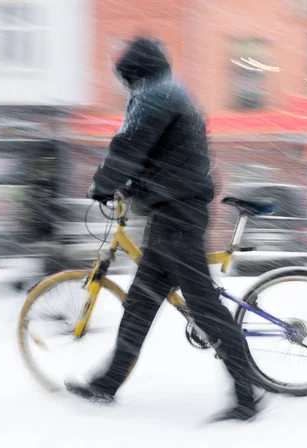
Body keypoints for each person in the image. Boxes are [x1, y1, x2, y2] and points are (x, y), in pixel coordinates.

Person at [64, 37, 262, 422]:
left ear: (134, 72)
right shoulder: (167, 90)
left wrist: (105, 183)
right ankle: (107, 384)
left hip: (178, 216)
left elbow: (129, 145)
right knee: (140, 303)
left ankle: (247, 396)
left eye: (125, 78)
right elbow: (160, 156)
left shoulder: (155, 94)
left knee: (203, 306)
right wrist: (132, 185)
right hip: (171, 213)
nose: (125, 86)